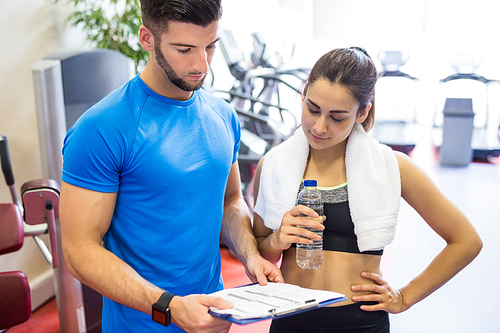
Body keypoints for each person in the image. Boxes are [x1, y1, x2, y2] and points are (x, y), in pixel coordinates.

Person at [59, 0, 283, 332]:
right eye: (184, 49)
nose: (201, 64)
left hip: (213, 317)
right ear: (147, 38)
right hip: (142, 323)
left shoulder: (223, 116)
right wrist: (170, 306)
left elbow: (230, 201)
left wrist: (249, 256)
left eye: (210, 46)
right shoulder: (102, 128)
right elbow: (80, 251)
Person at [252, 47, 482, 332]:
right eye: (313, 109)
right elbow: (259, 255)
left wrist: (404, 297)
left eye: (337, 117)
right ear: (303, 96)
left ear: (363, 112)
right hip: (291, 318)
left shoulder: (391, 167)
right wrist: (276, 240)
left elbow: (466, 241)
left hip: (359, 323)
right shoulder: (273, 166)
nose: (320, 127)